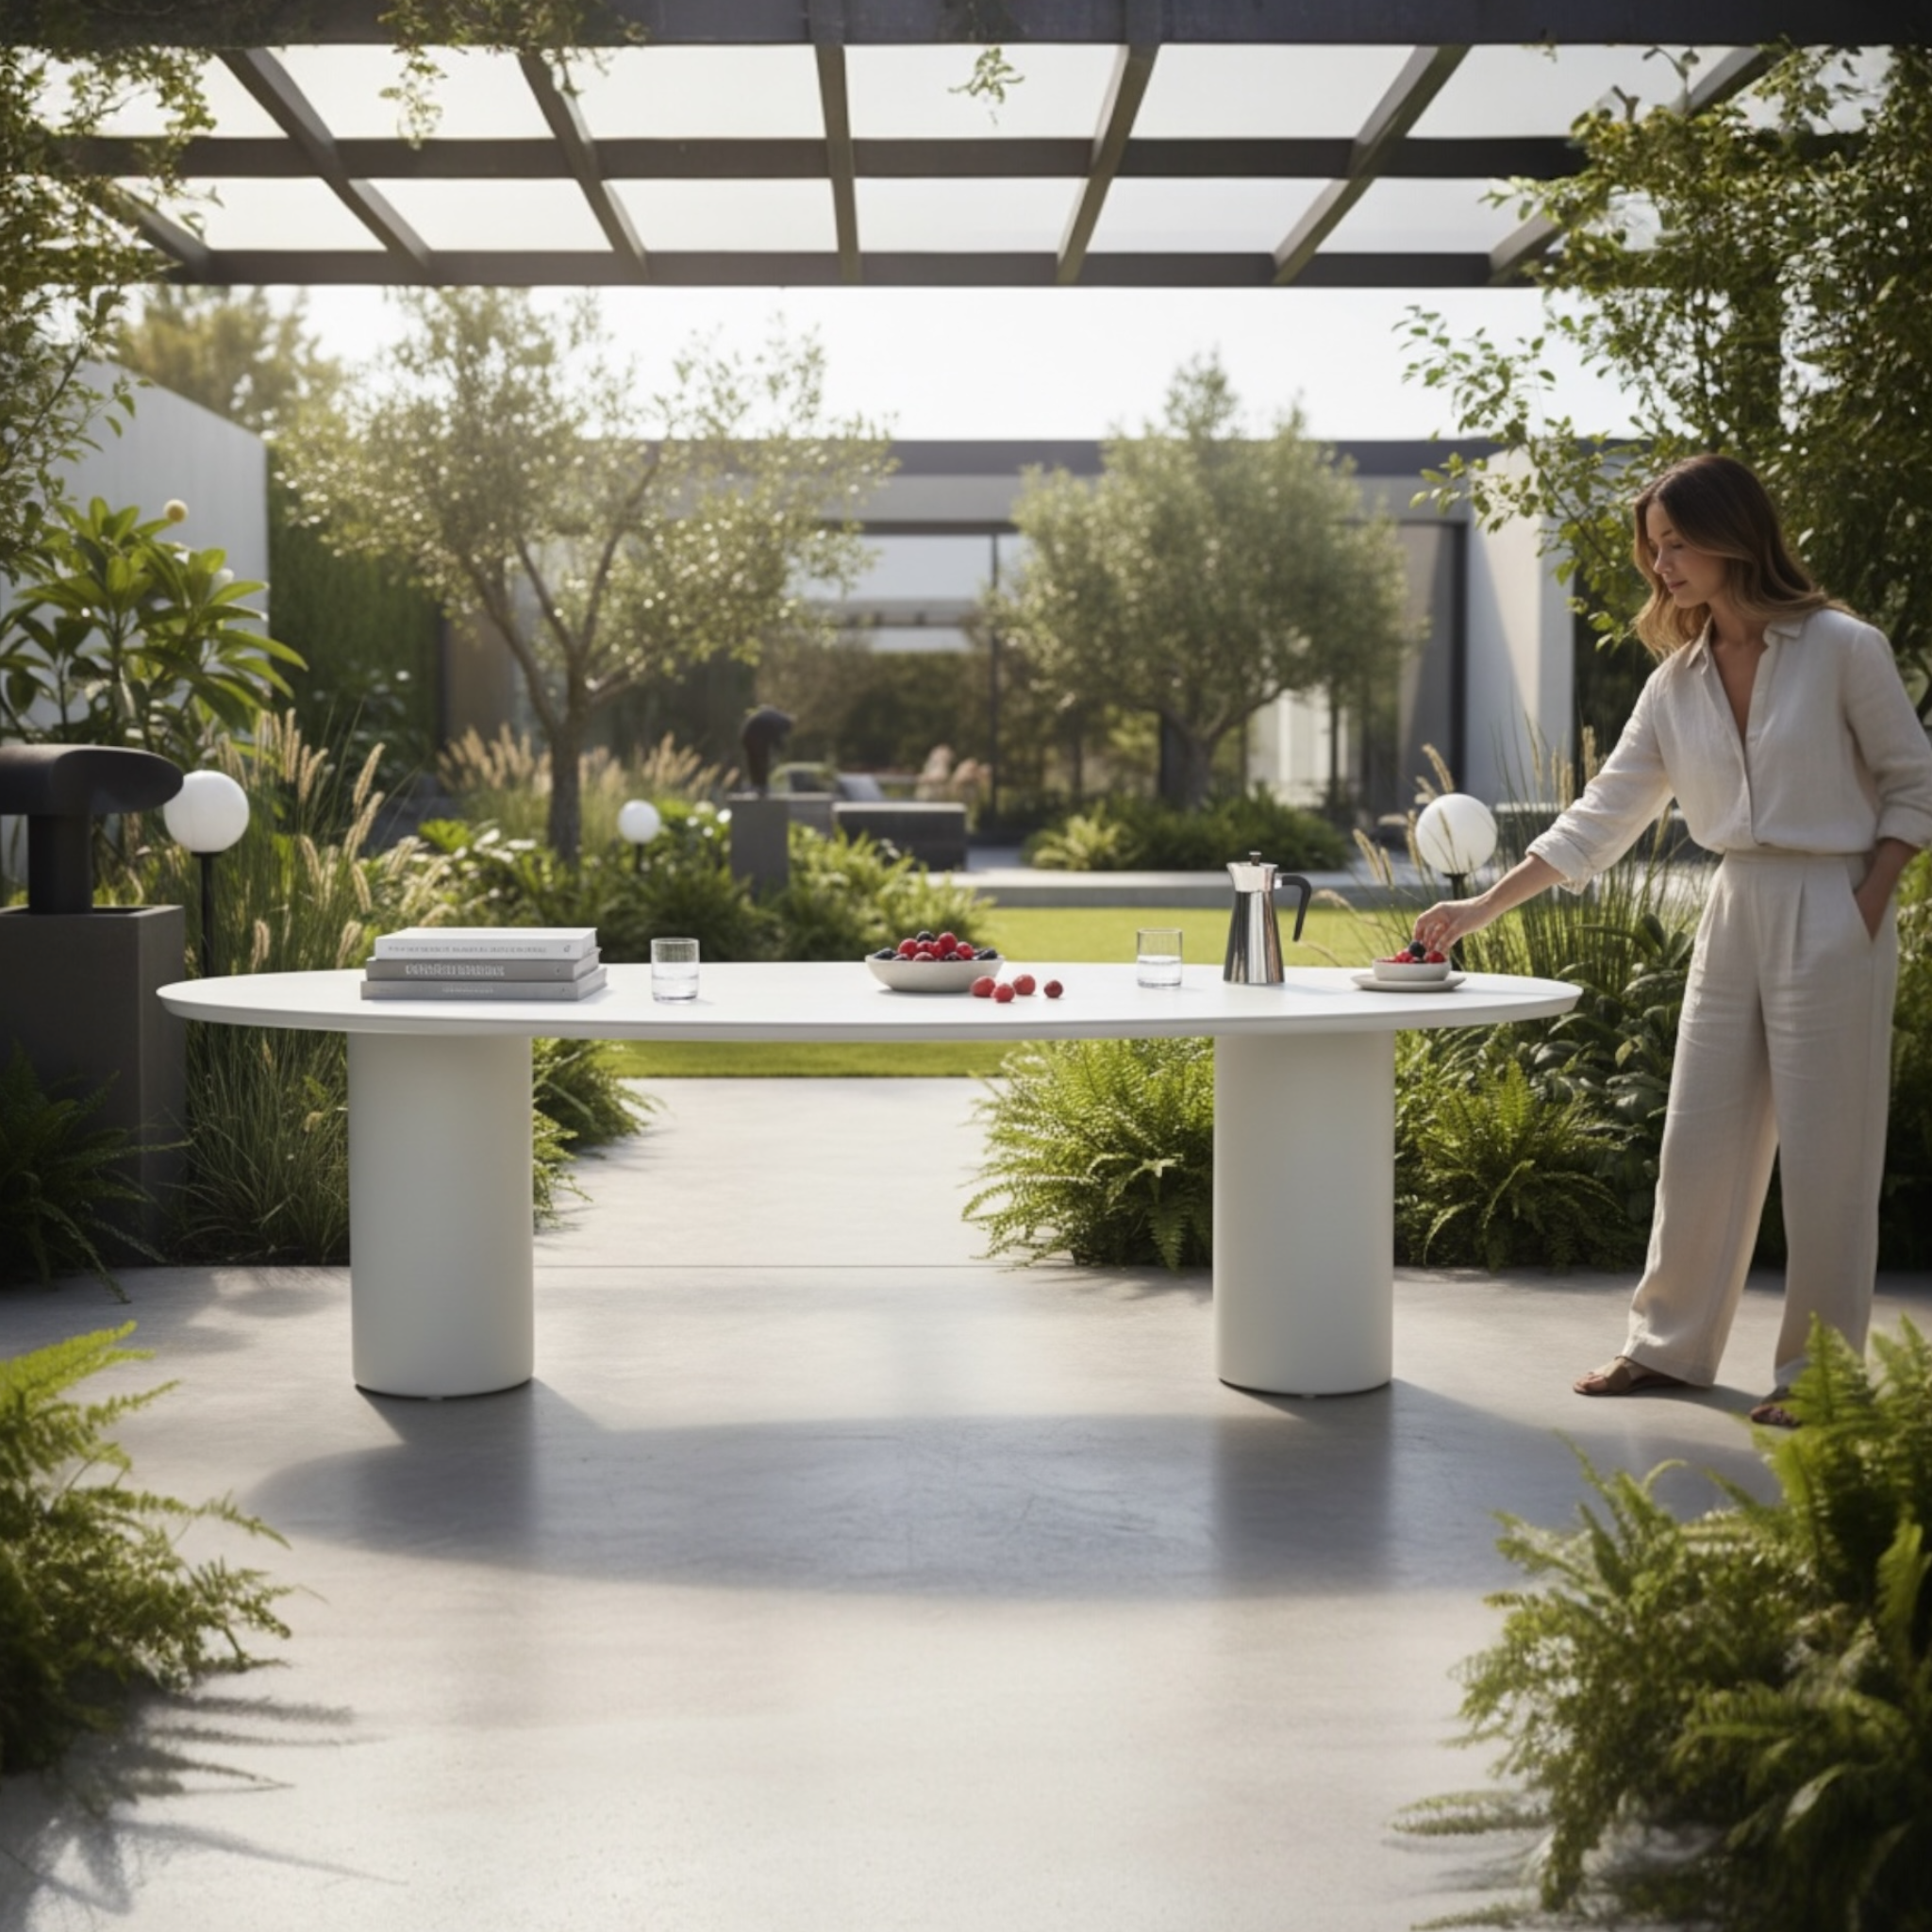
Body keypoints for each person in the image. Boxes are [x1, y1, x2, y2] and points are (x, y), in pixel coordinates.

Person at [1412, 454, 1932, 1424]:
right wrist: (1478, 908)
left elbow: (1912, 780)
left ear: (1734, 533)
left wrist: (1866, 900)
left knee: (1829, 1159)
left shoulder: (1839, 647)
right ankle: (1666, 1346)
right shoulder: (1675, 681)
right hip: (1730, 905)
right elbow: (1596, 817)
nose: (1661, 565)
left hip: (1831, 901)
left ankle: (1818, 1376)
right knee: (1697, 1141)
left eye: (1676, 542)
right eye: (1653, 549)